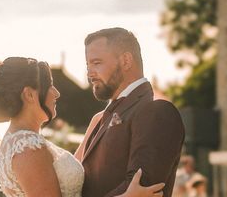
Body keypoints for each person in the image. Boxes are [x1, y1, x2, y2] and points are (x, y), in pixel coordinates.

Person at [0, 56, 165, 197]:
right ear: (29, 95)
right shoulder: (27, 147)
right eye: (49, 86)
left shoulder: (22, 140)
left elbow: (66, 175)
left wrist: (97, 123)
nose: (56, 93)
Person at [78, 27, 185, 197]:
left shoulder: (157, 111)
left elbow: (142, 188)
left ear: (126, 60)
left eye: (96, 63)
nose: (89, 73)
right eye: (88, 65)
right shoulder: (100, 118)